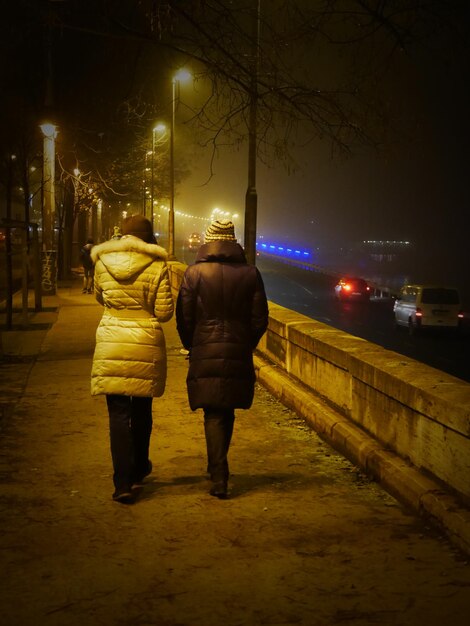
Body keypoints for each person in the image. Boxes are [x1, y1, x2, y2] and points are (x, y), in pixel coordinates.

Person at [176, 219, 269, 499]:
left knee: (213, 411)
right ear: (233, 240)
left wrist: (193, 344)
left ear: (209, 240)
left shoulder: (193, 274)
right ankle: (217, 465)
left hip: (204, 345)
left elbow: (184, 317)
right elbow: (259, 319)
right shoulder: (251, 274)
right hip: (237, 346)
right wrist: (244, 343)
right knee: (226, 409)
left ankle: (219, 474)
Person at [90, 215, 174, 504]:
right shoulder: (157, 264)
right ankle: (139, 469)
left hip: (112, 338)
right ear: (148, 238)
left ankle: (122, 483)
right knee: (141, 411)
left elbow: (100, 297)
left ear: (122, 236)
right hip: (144, 341)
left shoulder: (101, 262)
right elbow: (164, 312)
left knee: (117, 414)